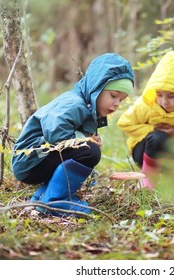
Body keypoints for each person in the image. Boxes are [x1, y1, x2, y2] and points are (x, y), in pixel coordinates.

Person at [12, 53, 134, 216]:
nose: (116, 103)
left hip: (36, 159)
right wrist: (84, 140)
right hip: (30, 161)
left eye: (122, 99)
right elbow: (55, 132)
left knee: (87, 148)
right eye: (113, 95)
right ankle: (57, 201)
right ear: (97, 87)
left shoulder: (86, 105)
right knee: (89, 150)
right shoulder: (74, 103)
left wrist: (85, 137)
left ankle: (42, 197)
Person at [117, 50, 174, 189]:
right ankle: (148, 178)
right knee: (157, 137)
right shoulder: (146, 105)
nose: (164, 101)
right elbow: (124, 123)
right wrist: (152, 129)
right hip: (145, 153)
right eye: (159, 95)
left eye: (171, 96)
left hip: (173, 154)